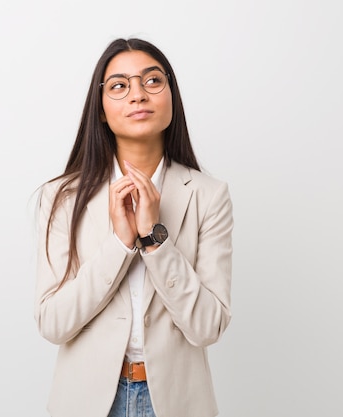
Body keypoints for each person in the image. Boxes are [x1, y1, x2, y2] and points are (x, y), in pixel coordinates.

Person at [34, 37, 233, 417]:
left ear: (171, 98)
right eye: (120, 85)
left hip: (176, 403)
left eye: (153, 81)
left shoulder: (209, 195)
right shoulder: (61, 197)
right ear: (102, 111)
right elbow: (53, 323)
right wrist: (121, 244)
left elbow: (208, 327)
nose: (138, 95)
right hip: (87, 402)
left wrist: (155, 241)